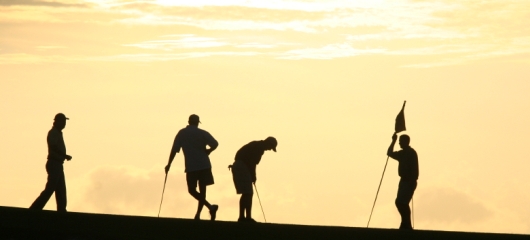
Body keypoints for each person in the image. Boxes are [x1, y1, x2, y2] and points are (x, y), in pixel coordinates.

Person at [165, 114, 219, 221]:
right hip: (204, 165)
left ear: (189, 122)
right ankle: (207, 209)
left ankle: (201, 213)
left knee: (192, 190)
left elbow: (175, 149)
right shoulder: (202, 133)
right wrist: (209, 151)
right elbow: (215, 143)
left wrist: (169, 164)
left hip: (192, 166)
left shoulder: (182, 133)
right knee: (202, 191)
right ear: (197, 123)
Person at [30, 113, 73, 212]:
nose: (64, 124)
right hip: (54, 163)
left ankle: (61, 210)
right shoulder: (53, 132)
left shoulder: (57, 132)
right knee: (50, 189)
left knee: (61, 189)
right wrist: (64, 155)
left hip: (58, 163)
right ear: (57, 121)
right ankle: (35, 208)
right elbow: (53, 147)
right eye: (63, 121)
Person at [230, 137, 277, 223]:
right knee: (248, 193)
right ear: (268, 143)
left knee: (247, 193)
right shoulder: (259, 148)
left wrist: (252, 175)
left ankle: (243, 217)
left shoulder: (258, 145)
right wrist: (253, 176)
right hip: (242, 167)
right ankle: (246, 218)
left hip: (240, 166)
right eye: (271, 147)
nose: (270, 149)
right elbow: (252, 163)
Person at [387, 133, 419, 230]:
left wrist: (411, 181)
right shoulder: (403, 153)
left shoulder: (410, 153)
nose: (399, 143)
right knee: (400, 203)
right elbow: (389, 153)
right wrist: (393, 141)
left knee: (402, 203)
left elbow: (415, 170)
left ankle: (406, 224)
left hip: (409, 181)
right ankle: (406, 224)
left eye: (401, 141)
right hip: (404, 181)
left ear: (406, 142)